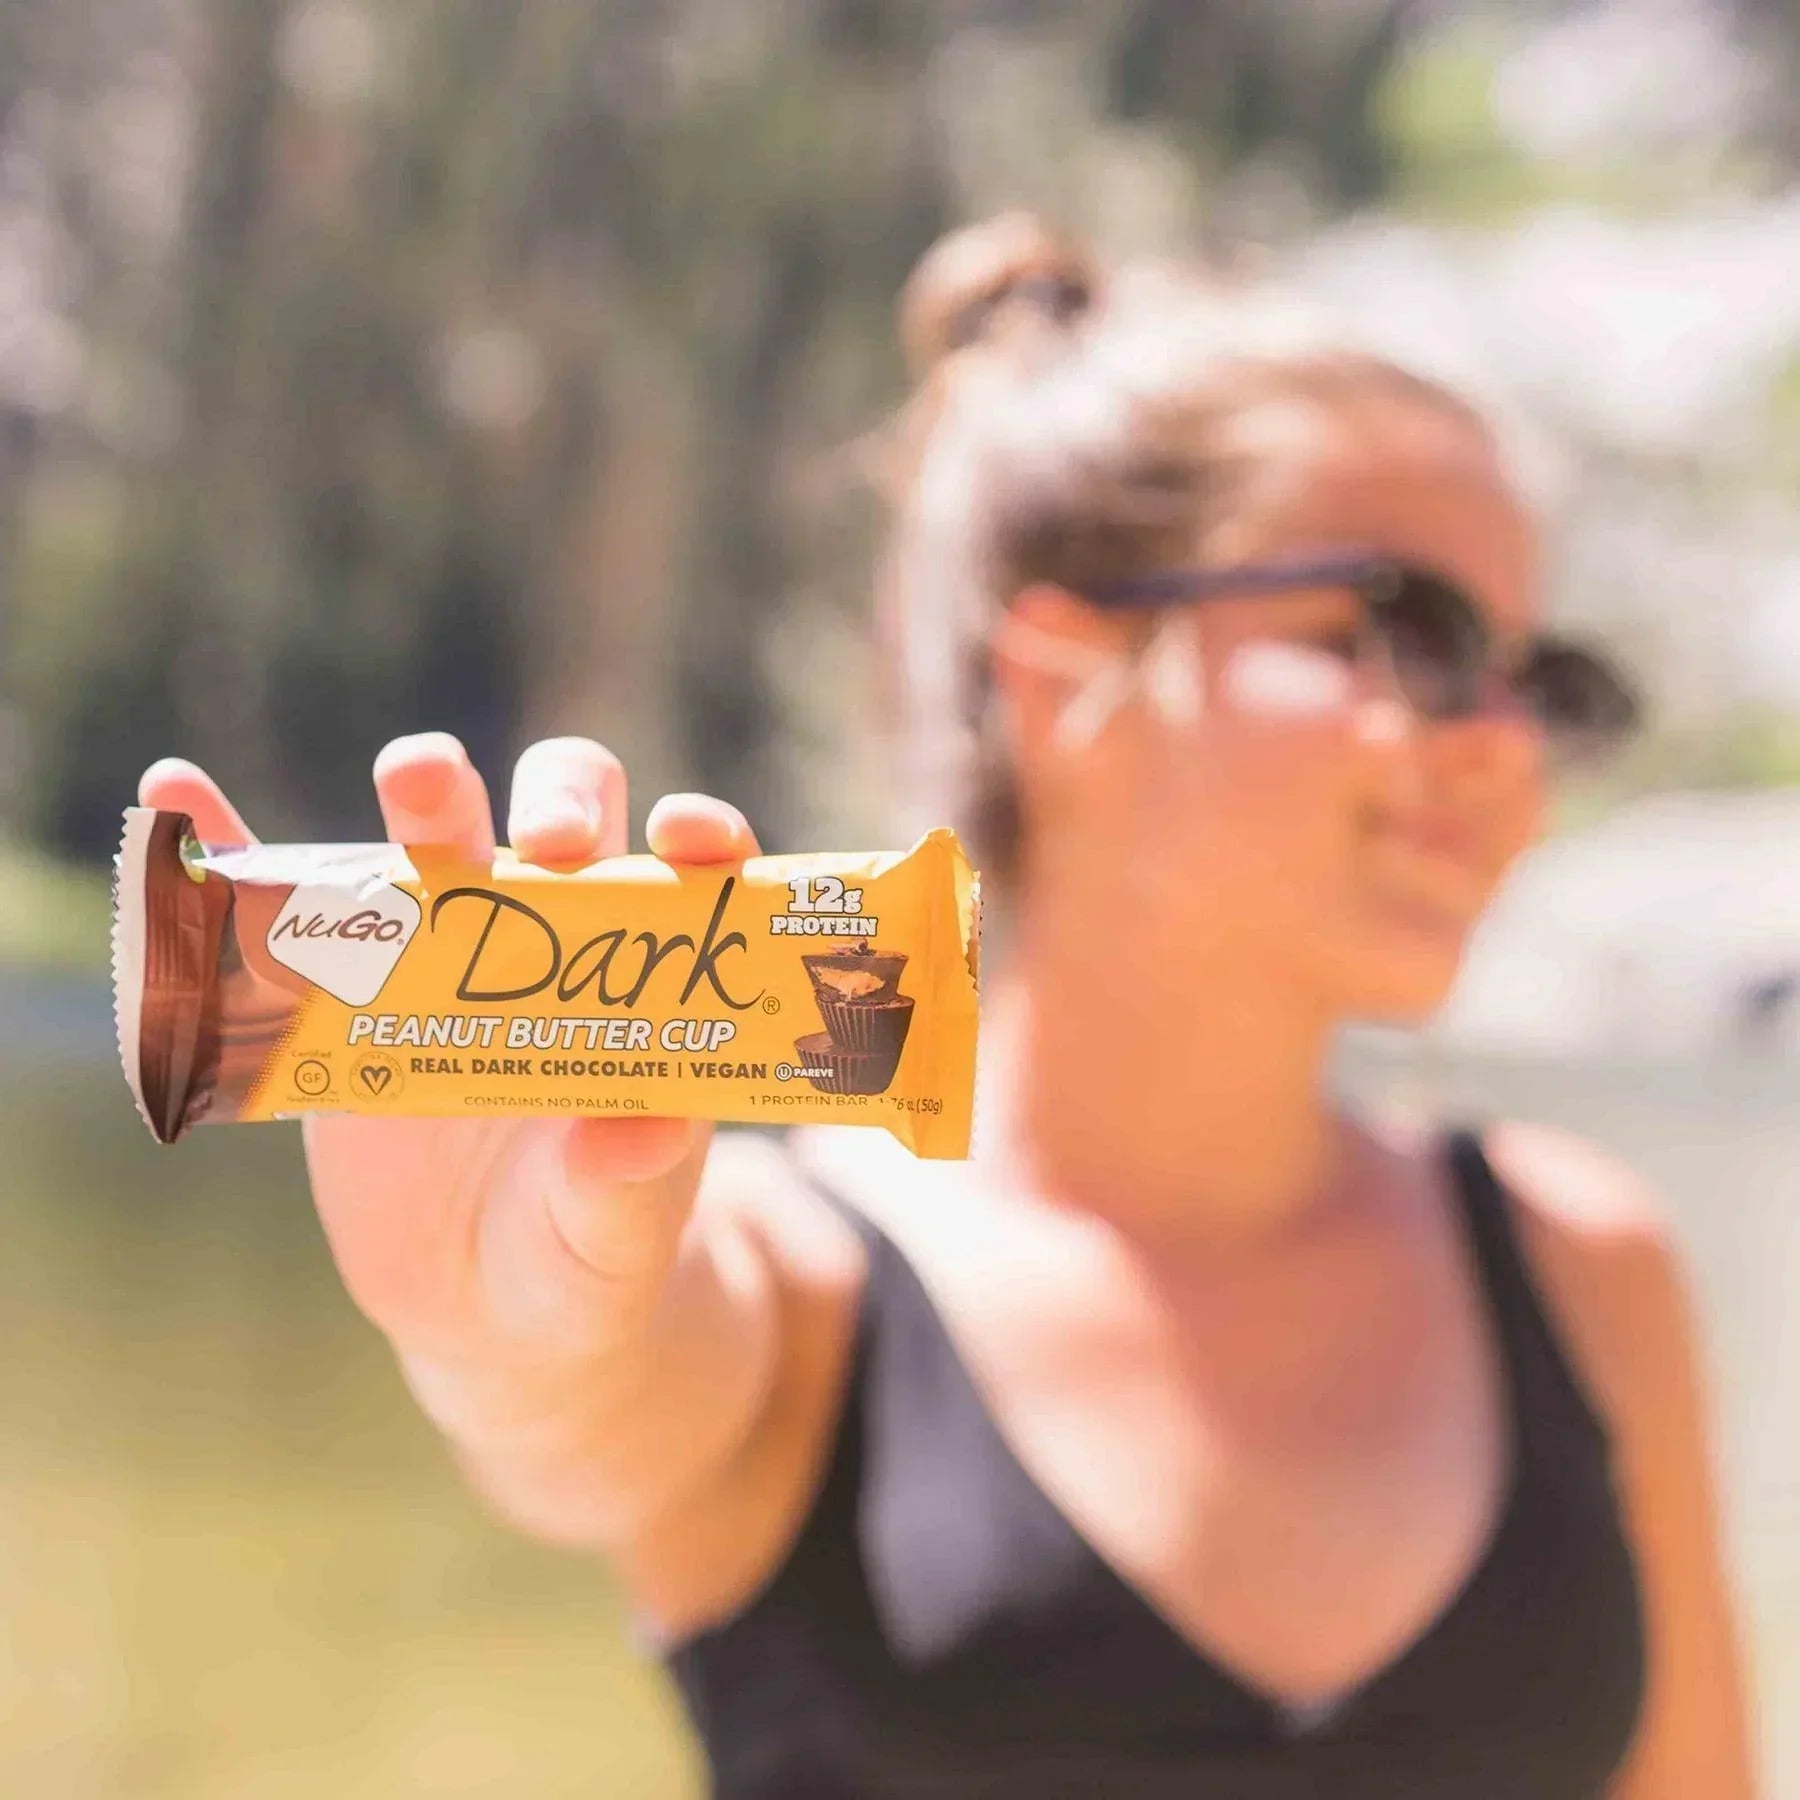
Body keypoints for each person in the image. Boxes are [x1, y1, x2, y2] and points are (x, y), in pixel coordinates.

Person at [139, 214, 1755, 1797]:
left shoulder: (1575, 1263)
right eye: (1408, 636)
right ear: (1064, 683)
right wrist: (494, 1332)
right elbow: (590, 1409)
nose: (1503, 745)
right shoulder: (802, 1278)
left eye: (1543, 684)